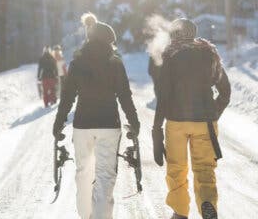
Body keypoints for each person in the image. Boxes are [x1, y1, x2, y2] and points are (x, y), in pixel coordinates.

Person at [53, 13, 140, 219]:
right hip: (109, 125)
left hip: (83, 126)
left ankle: (86, 216)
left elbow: (67, 98)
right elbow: (125, 97)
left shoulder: (77, 63)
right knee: (104, 177)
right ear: (109, 42)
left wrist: (58, 123)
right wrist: (134, 122)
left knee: (83, 174)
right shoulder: (115, 63)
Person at [152, 18, 231, 219]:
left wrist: (156, 129)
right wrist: (214, 114)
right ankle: (207, 203)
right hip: (205, 121)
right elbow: (225, 92)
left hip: (176, 122)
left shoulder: (170, 56)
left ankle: (180, 212)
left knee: (176, 169)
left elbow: (163, 96)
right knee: (204, 169)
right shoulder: (209, 54)